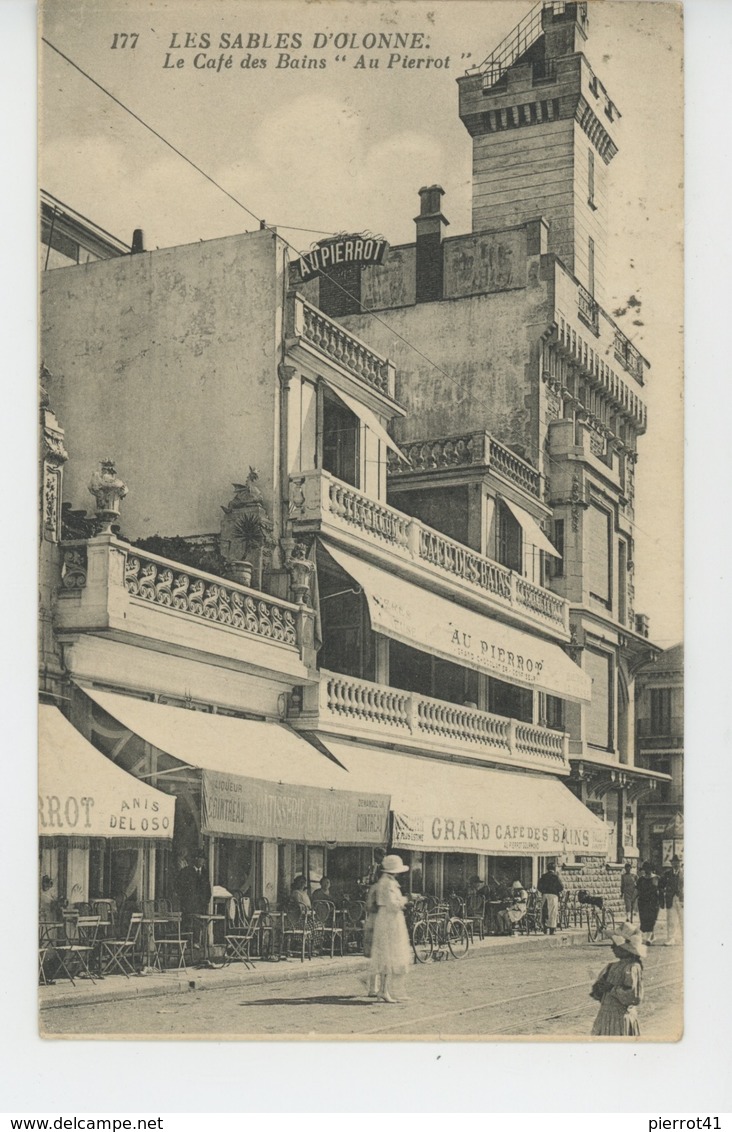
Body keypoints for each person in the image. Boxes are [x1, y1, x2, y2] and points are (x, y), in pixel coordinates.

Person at [366, 853, 412, 1003]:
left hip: (386, 919)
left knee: (388, 954)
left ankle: (384, 989)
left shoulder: (385, 882)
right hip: (389, 920)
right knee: (389, 953)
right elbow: (393, 904)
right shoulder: (388, 883)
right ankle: (383, 990)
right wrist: (405, 900)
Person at [590, 921, 645, 1036]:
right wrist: (598, 988)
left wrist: (611, 989)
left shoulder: (632, 967)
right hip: (606, 1016)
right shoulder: (612, 967)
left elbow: (633, 997)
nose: (611, 947)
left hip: (620, 1019)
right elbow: (599, 995)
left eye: (615, 945)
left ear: (625, 949)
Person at [177, 850, 212, 937]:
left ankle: (196, 942)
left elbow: (208, 889)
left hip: (201, 905)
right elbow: (178, 887)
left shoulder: (205, 873)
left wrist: (206, 901)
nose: (201, 861)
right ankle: (187, 944)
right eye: (200, 859)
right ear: (195, 859)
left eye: (203, 859)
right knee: (187, 926)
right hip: (188, 906)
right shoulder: (186, 872)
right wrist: (185, 900)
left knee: (199, 925)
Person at [660, 855, 683, 946]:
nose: (676, 864)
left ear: (680, 863)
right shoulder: (667, 874)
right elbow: (661, 886)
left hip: (682, 899)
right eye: (674, 863)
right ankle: (671, 939)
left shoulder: (685, 873)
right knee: (671, 919)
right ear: (671, 864)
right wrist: (665, 892)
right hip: (670, 899)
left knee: (683, 919)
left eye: (677, 863)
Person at [635, 860, 661, 945]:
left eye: (649, 869)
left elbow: (661, 890)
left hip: (654, 903)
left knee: (652, 919)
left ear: (652, 869)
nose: (647, 871)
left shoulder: (657, 878)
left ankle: (649, 938)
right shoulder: (641, 879)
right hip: (643, 902)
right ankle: (651, 935)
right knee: (644, 920)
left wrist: (662, 901)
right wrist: (633, 900)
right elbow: (637, 890)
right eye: (646, 869)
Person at [537, 862, 564, 935]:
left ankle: (545, 928)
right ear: (554, 869)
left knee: (545, 911)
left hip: (545, 895)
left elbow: (539, 886)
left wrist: (543, 891)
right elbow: (561, 887)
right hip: (553, 896)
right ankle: (552, 929)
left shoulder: (543, 876)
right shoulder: (555, 877)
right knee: (553, 912)